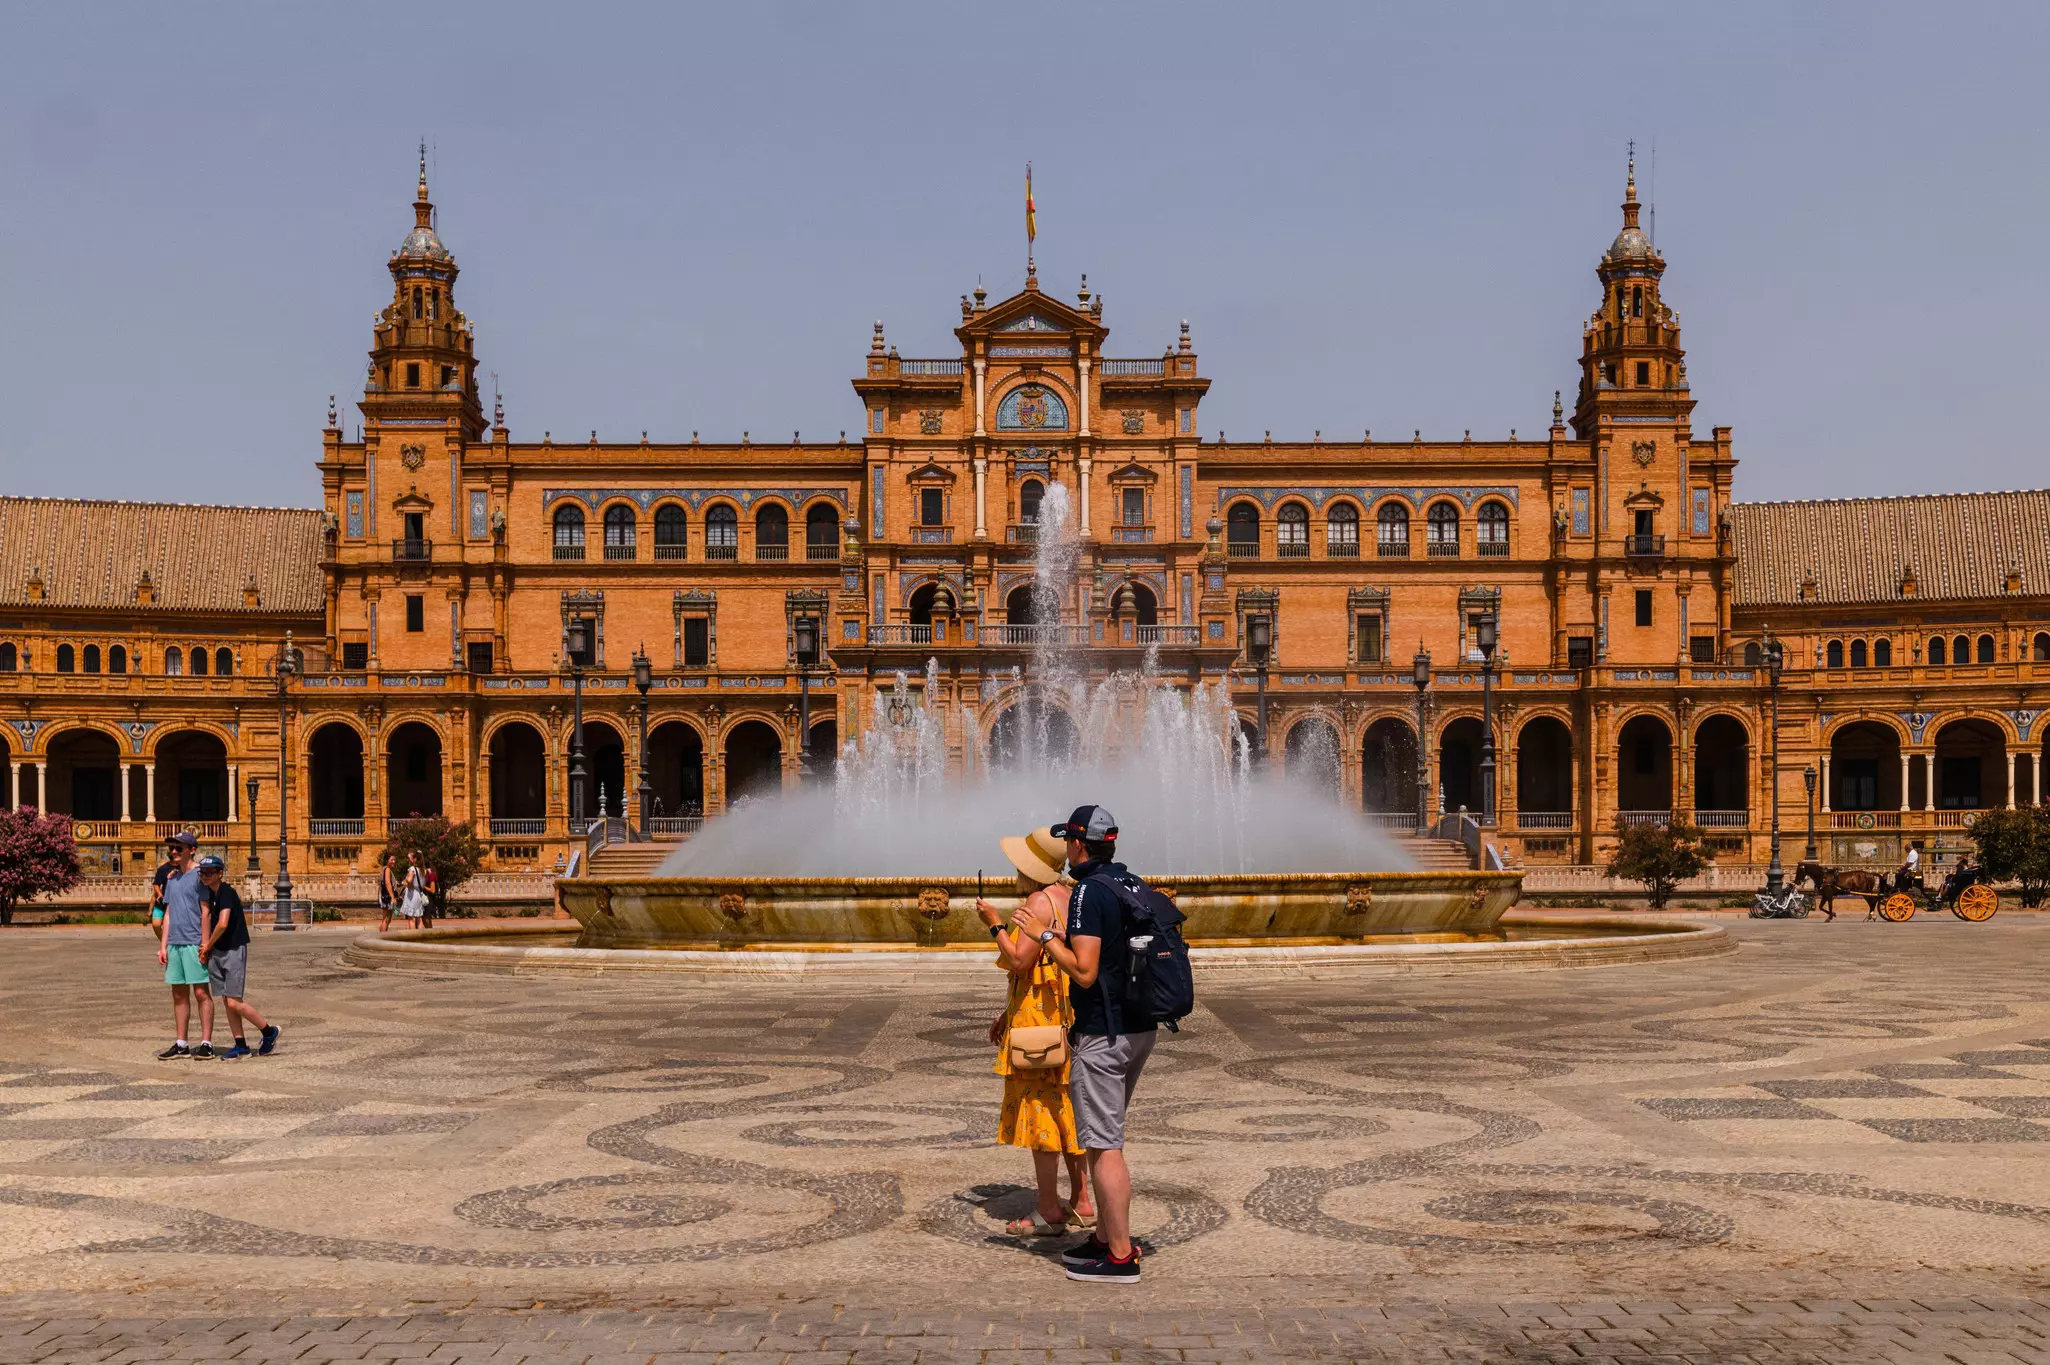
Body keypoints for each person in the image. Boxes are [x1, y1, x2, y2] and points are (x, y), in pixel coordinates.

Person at [1018, 805, 1154, 1284]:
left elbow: (1084, 970)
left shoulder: (1087, 893)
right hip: (1140, 1027)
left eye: (1069, 843)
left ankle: (1118, 1256)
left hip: (1104, 1032)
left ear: (1077, 845)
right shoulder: (1129, 882)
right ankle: (1103, 1239)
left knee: (1104, 1144)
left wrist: (1044, 934)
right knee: (1104, 1137)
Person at [974, 826, 1095, 1239]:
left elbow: (1021, 960)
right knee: (1070, 1110)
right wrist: (1007, 1013)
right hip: (1065, 1018)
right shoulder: (1068, 895)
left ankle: (1047, 1209)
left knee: (1041, 1114)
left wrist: (993, 925)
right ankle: (1082, 1201)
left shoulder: (1037, 901)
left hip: (1039, 1030)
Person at [196, 855, 280, 1059]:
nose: (205, 876)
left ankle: (269, 1032)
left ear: (219, 873)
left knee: (233, 1001)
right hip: (218, 951)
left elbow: (223, 923)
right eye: (202, 872)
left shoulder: (226, 892)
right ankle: (240, 1043)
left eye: (210, 872)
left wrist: (207, 945)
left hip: (232, 949)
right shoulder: (210, 894)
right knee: (227, 1000)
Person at [154, 832, 216, 1060]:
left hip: (193, 941)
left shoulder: (201, 875)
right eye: (172, 848)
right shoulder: (172, 878)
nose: (174, 852)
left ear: (191, 849)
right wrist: (163, 945)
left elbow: (206, 910)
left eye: (179, 848)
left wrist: (205, 943)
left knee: (201, 992)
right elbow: (168, 913)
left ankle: (206, 1042)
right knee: (178, 993)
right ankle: (181, 1043)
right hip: (175, 943)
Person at [396, 853, 428, 926]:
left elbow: (409, 881)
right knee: (419, 919)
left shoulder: (412, 869)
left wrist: (404, 881)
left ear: (415, 859)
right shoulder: (423, 870)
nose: (408, 860)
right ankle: (420, 936)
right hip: (419, 894)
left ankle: (413, 936)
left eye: (410, 858)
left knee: (411, 919)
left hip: (412, 895)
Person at [376, 852, 398, 933]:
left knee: (386, 919)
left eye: (394, 860)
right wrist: (392, 897)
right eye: (391, 860)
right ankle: (382, 938)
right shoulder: (387, 869)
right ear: (387, 860)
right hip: (387, 897)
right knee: (386, 919)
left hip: (384, 896)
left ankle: (381, 937)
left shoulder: (384, 869)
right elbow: (388, 883)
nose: (393, 861)